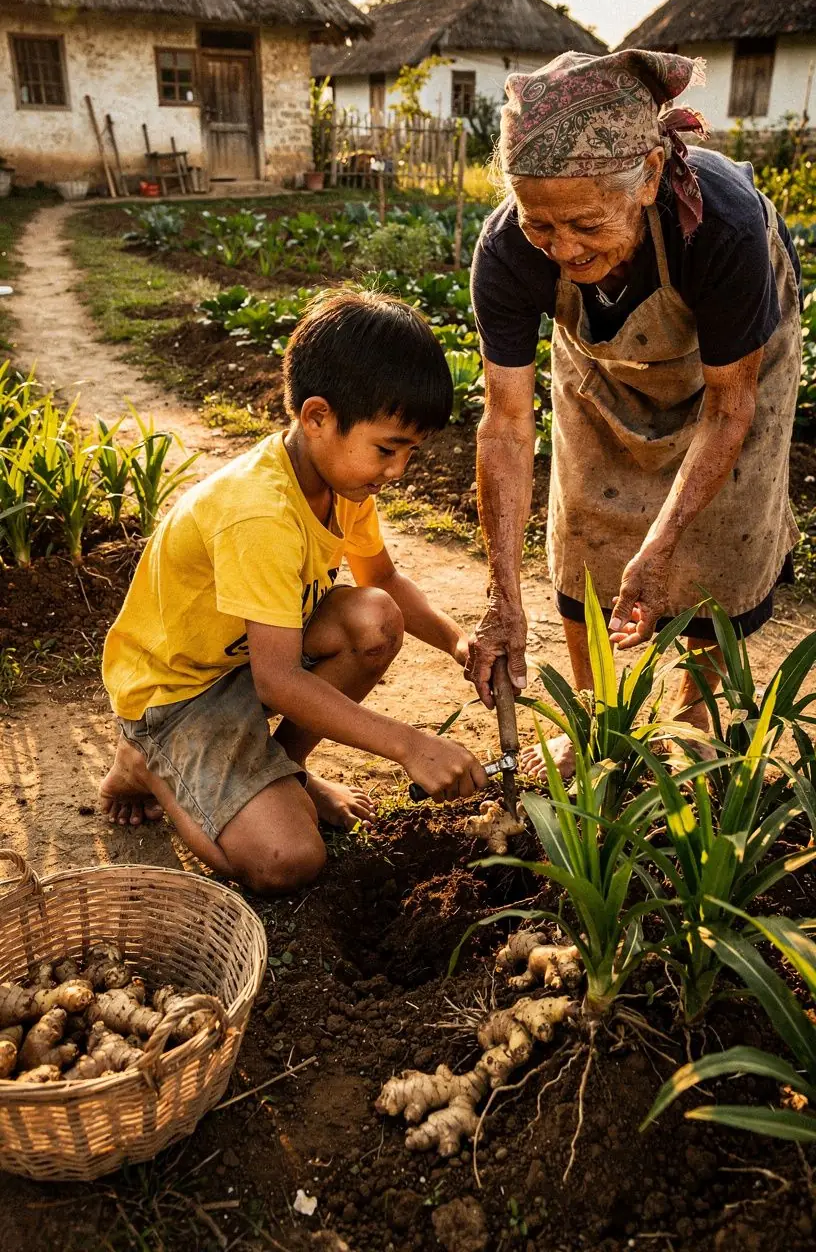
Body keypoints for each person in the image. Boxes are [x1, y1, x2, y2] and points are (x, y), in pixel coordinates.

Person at [465, 49, 802, 762]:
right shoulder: (506, 252)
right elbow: (505, 422)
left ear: (649, 177)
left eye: (586, 225)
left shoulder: (724, 230)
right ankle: (593, 723)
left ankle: (695, 721)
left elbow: (729, 407)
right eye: (540, 226)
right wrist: (502, 594)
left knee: (721, 529)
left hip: (733, 369)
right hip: (602, 365)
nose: (563, 249)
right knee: (585, 520)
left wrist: (663, 544)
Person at [100, 291, 487, 892]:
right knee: (287, 859)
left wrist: (461, 644)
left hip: (242, 663)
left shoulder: (340, 482)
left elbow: (381, 582)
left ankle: (282, 770)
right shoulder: (259, 514)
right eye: (387, 448)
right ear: (317, 417)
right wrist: (409, 745)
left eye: (411, 451)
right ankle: (146, 760)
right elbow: (277, 682)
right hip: (177, 692)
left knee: (374, 618)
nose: (397, 471)